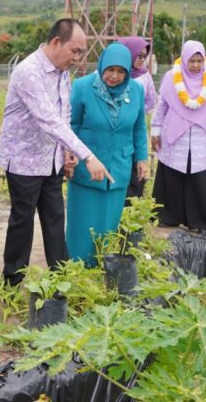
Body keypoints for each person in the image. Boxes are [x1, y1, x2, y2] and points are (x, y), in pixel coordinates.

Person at [0, 18, 112, 286]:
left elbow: (64, 112)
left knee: (54, 218)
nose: (78, 58)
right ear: (56, 42)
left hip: (51, 159)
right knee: (22, 222)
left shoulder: (63, 72)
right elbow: (48, 118)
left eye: (82, 52)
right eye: (75, 51)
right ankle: (12, 282)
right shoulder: (29, 71)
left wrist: (67, 149)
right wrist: (88, 156)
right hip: (24, 160)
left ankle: (61, 278)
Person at [66, 43, 149, 266]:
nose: (114, 76)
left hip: (119, 166)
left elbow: (139, 127)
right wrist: (70, 155)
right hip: (87, 167)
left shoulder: (137, 90)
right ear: (101, 66)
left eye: (121, 71)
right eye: (110, 70)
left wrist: (142, 158)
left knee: (109, 223)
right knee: (82, 224)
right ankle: (77, 268)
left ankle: (104, 267)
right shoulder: (83, 87)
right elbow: (70, 125)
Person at [151, 40, 206, 237]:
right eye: (191, 61)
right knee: (172, 174)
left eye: (198, 61)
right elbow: (162, 106)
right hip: (175, 135)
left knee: (201, 178)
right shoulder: (171, 77)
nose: (195, 65)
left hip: (204, 134)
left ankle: (201, 222)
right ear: (184, 59)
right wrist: (155, 132)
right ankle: (168, 216)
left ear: (204, 60)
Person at [118, 36, 156, 200]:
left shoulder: (144, 76)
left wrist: (133, 114)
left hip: (134, 129)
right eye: (138, 55)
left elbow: (151, 100)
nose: (141, 60)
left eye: (144, 56)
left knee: (135, 170)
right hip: (113, 131)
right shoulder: (112, 72)